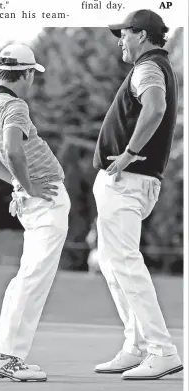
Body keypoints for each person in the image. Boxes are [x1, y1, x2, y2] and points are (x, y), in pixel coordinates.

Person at [0, 44, 70, 382]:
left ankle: (3, 354)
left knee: (28, 277)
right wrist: (26, 185)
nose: (32, 82)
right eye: (32, 76)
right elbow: (13, 148)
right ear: (26, 74)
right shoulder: (15, 105)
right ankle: (7, 357)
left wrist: (16, 182)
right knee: (33, 279)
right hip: (44, 200)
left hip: (33, 202)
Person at [92, 9, 183, 380]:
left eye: (125, 33)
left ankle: (162, 350)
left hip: (128, 179)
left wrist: (129, 153)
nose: (120, 40)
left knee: (125, 264)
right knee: (114, 267)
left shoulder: (148, 67)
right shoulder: (152, 64)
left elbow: (156, 105)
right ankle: (136, 347)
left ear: (142, 35)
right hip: (130, 182)